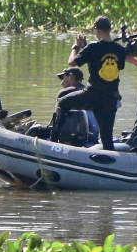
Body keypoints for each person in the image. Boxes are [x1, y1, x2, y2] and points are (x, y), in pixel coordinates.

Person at [50, 16, 126, 151]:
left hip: (92, 95)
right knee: (107, 139)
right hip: (110, 98)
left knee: (62, 103)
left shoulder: (93, 47)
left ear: (96, 30)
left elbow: (72, 63)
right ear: (109, 29)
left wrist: (76, 47)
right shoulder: (120, 50)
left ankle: (53, 142)